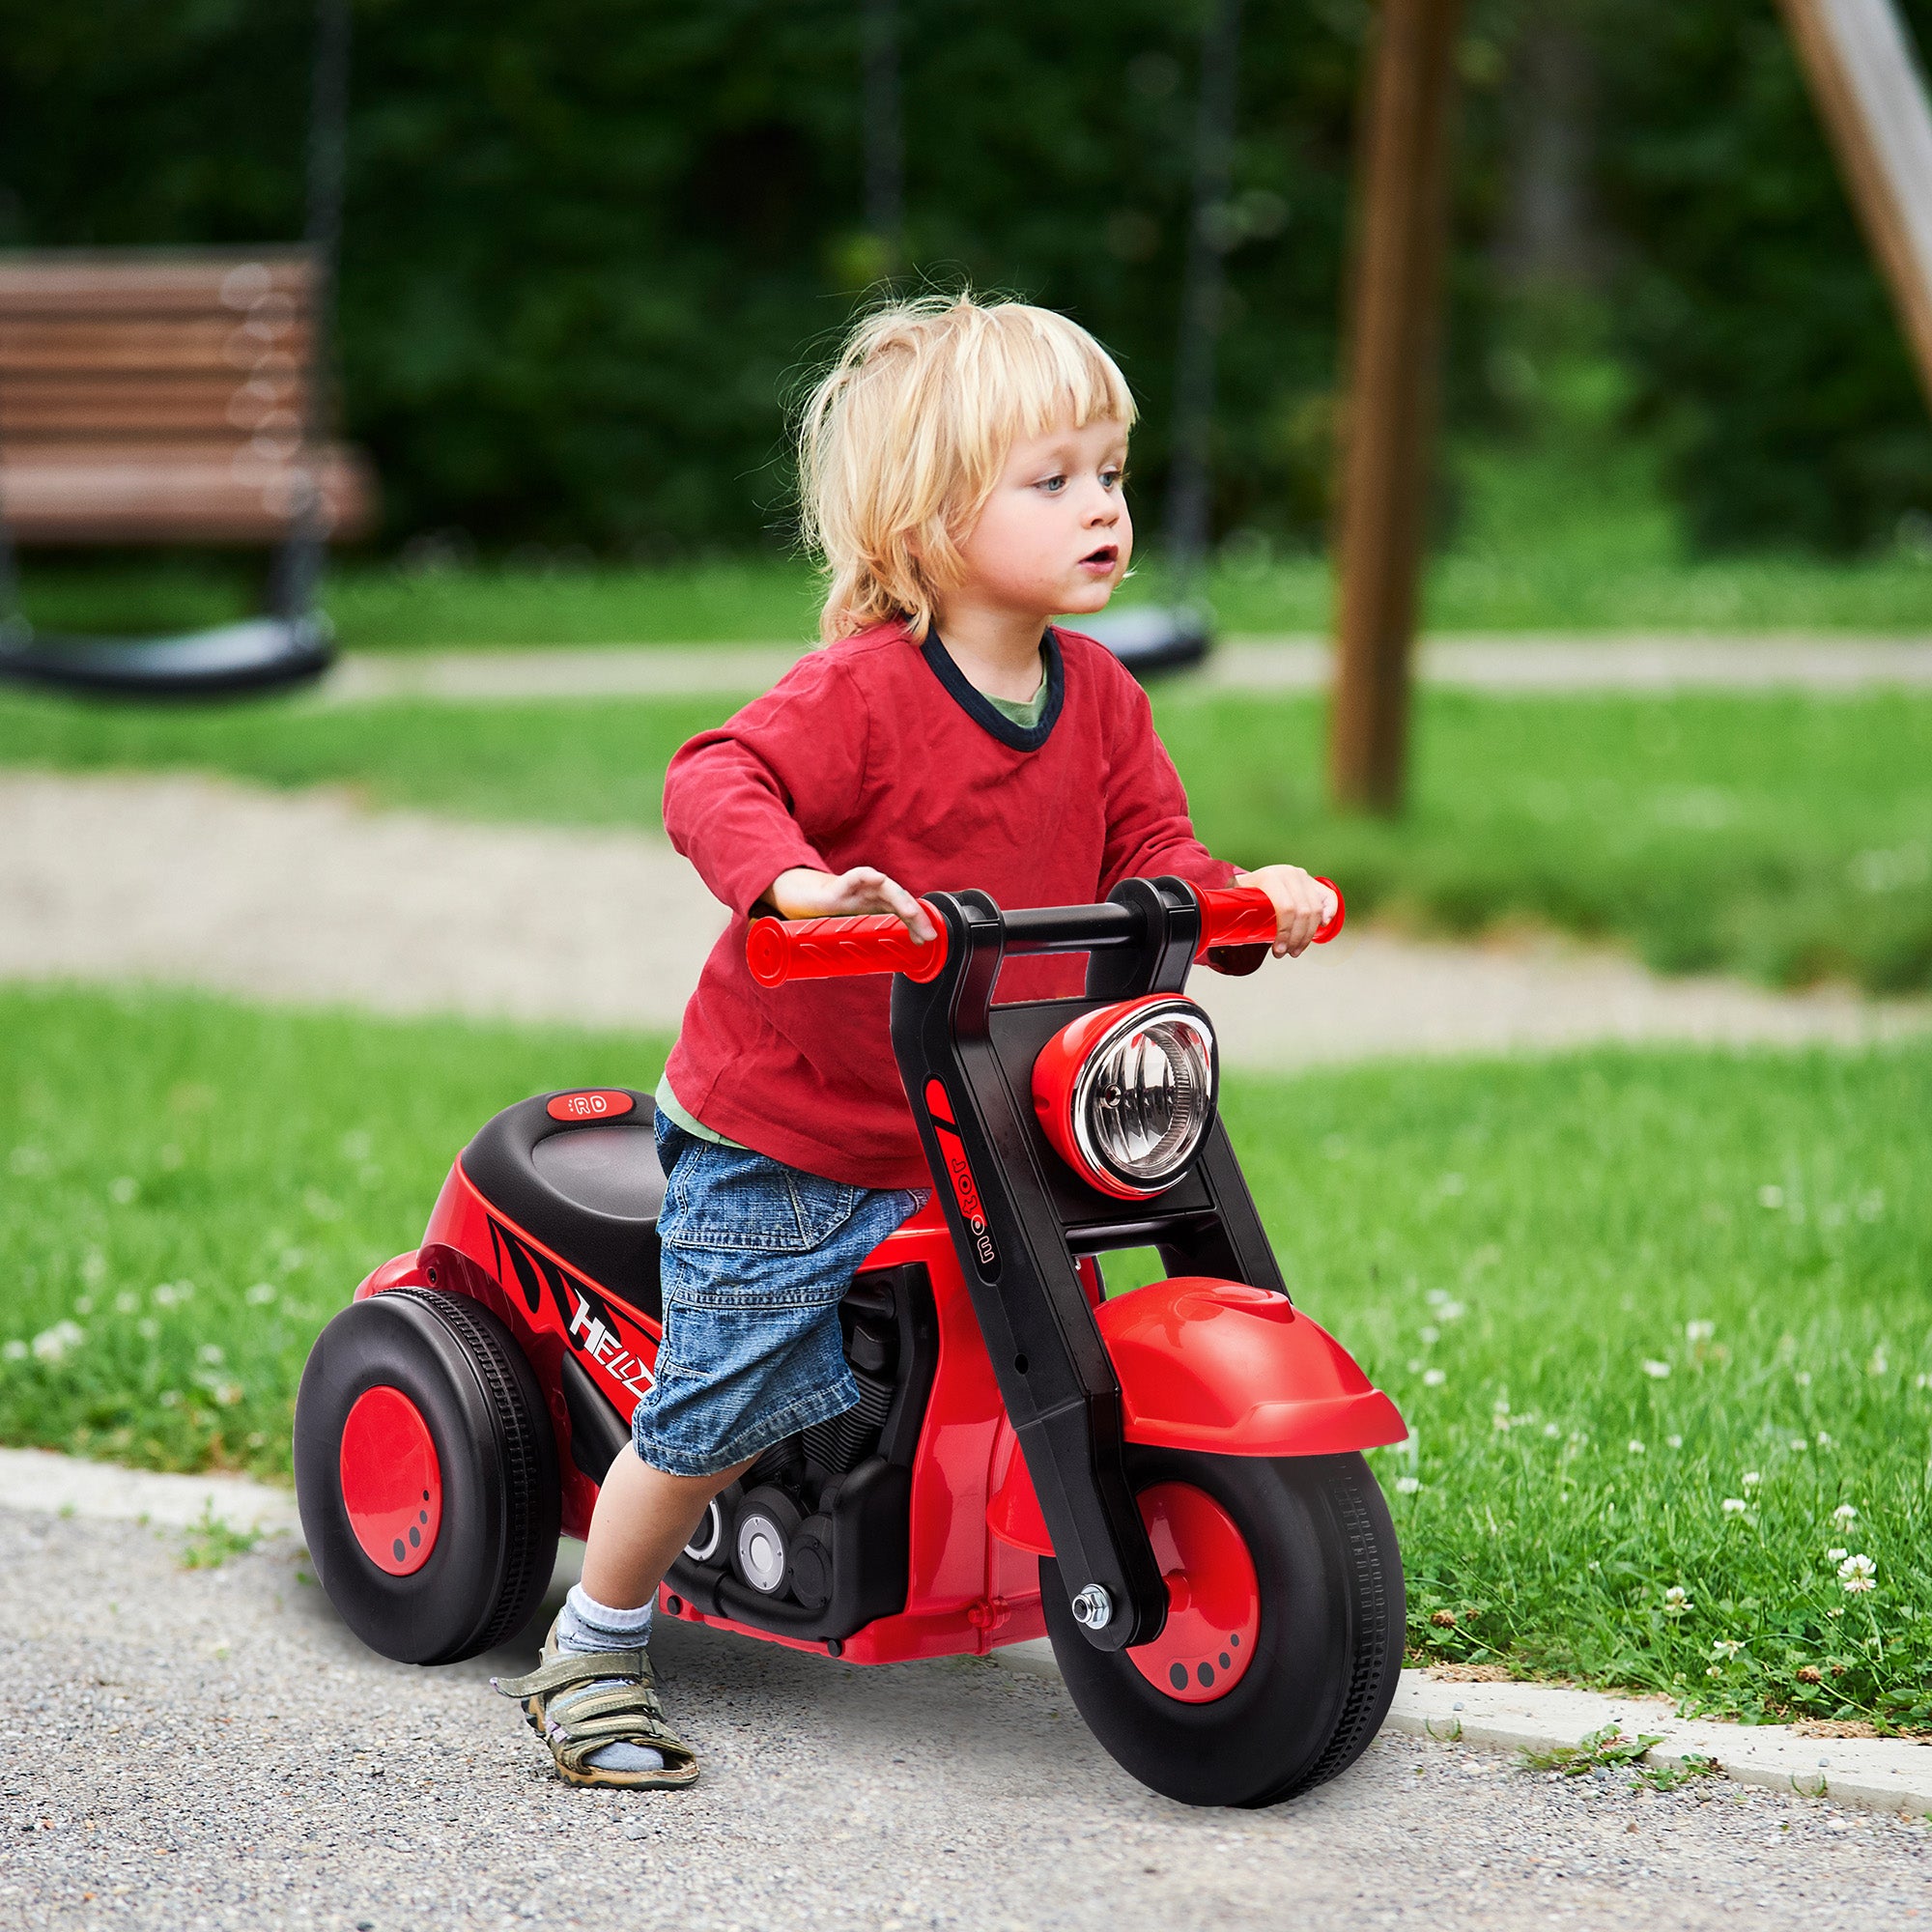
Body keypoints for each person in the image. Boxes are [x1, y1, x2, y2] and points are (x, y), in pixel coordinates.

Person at [496, 293, 1337, 1787]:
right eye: (1054, 479)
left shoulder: (1101, 701)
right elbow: (718, 774)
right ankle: (596, 1647)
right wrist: (800, 884)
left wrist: (1240, 902)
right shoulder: (867, 696)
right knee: (726, 1397)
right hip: (800, 1126)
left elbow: (1160, 856)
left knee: (1055, 1322)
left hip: (996, 1113)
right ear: (935, 523)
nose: (1103, 508)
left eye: (1112, 472)